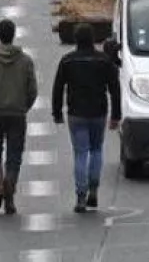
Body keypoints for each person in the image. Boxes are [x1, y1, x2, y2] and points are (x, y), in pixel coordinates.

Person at [52, 24, 121, 213]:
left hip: (76, 113)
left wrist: (57, 112)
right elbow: (115, 89)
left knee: (80, 153)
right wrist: (116, 115)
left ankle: (80, 195)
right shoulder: (104, 61)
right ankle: (94, 189)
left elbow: (58, 88)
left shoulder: (67, 61)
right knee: (97, 150)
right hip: (98, 112)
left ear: (75, 40)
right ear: (92, 39)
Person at [0, 19, 37, 216]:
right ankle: (10, 188)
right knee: (14, 156)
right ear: (14, 34)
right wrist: (24, 106)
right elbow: (32, 90)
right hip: (17, 115)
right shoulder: (26, 61)